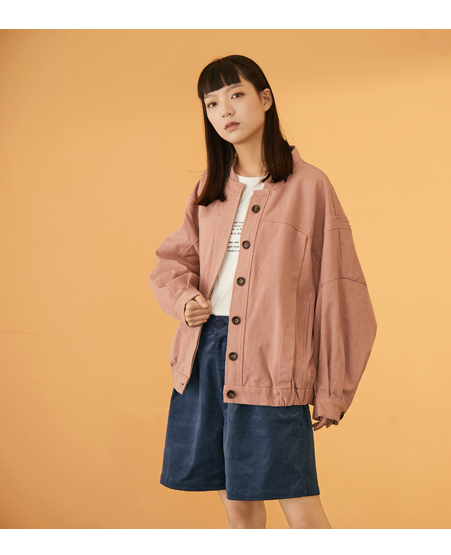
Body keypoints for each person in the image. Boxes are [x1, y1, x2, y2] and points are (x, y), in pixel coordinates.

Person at [148, 55, 377, 529]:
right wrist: (186, 300)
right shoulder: (209, 188)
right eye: (212, 103)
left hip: (272, 365)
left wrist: (332, 389)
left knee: (302, 512)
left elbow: (341, 290)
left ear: (265, 99)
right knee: (239, 512)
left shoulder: (310, 187)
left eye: (236, 95)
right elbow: (173, 263)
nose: (225, 111)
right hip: (206, 360)